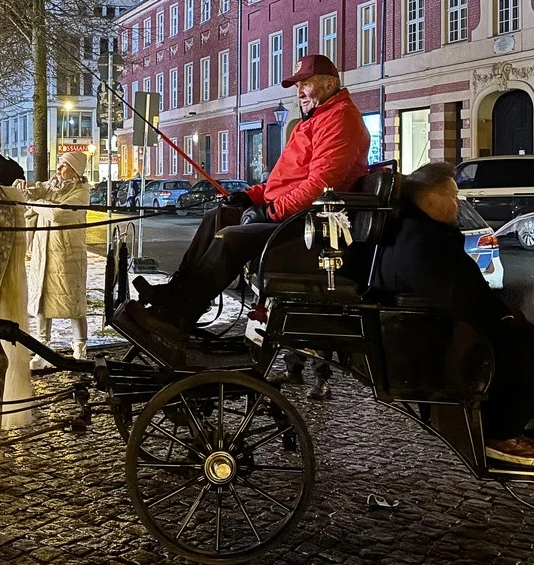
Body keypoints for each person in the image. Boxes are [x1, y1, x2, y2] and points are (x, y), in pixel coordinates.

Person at [117, 54, 370, 363]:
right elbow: (282, 182)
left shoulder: (340, 119)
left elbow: (319, 186)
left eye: (306, 84)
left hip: (308, 226)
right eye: (297, 86)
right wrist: (249, 196)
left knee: (231, 239)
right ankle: (173, 296)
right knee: (218, 216)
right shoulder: (316, 119)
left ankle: (178, 318)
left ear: (329, 84)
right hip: (292, 216)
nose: (299, 92)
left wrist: (271, 211)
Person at [377, 162, 534, 468]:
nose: (458, 204)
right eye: (453, 196)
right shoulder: (423, 239)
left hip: (455, 328)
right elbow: (457, 297)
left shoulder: (423, 232)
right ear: (431, 199)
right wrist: (504, 321)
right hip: (451, 337)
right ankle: (501, 433)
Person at [14, 150, 92, 364]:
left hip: (68, 257)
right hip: (43, 254)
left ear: (75, 172)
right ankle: (42, 349)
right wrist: (22, 186)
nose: (58, 168)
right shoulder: (52, 186)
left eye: (64, 165)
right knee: (41, 301)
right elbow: (32, 191)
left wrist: (35, 204)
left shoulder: (81, 193)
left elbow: (58, 214)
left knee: (73, 302)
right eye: (59, 164)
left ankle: (80, 348)